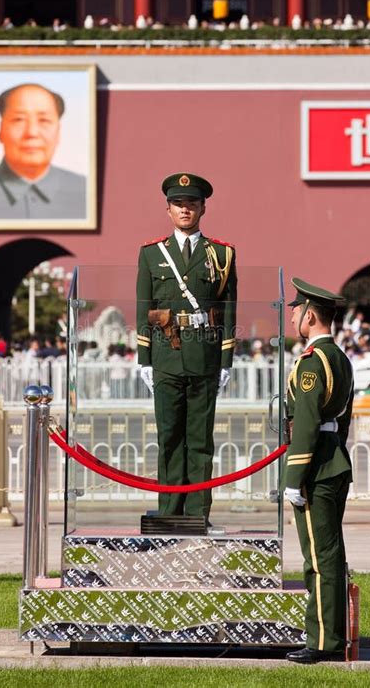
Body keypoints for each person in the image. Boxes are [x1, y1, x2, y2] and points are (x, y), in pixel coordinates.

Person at [136, 172, 237, 520]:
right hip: (166, 355)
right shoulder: (151, 254)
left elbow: (228, 310)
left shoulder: (222, 254)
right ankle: (169, 509)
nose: (185, 210)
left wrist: (226, 360)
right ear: (168, 210)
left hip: (204, 356)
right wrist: (144, 359)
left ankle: (196, 511)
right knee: (169, 438)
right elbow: (143, 307)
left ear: (203, 208)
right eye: (178, 204)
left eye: (191, 204)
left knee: (200, 440)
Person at [283, 278, 354, 664]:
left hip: (316, 469)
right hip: (334, 460)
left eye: (296, 310)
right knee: (331, 554)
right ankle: (333, 634)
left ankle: (323, 641)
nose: (292, 315)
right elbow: (343, 420)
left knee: (320, 558)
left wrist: (294, 478)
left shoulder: (313, 362)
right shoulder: (340, 358)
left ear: (310, 315)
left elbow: (307, 423)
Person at [0, 83, 86, 220]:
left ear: (58, 133)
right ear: (1, 131)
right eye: (19, 120)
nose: (32, 132)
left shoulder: (87, 192)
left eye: (44, 120)